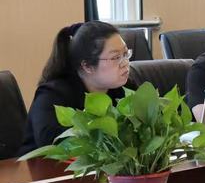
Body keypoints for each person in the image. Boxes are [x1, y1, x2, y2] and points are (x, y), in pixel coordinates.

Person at [20, 21, 134, 154]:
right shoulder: (52, 94)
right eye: (116, 57)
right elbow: (49, 141)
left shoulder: (124, 87)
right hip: (42, 166)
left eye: (125, 54)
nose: (125, 63)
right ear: (87, 66)